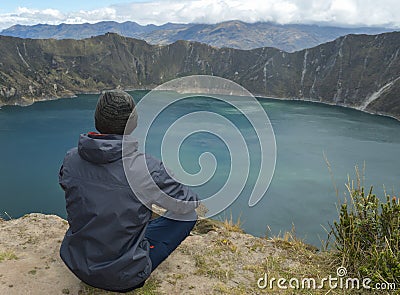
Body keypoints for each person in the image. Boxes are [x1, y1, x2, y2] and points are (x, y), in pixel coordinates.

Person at [59, 90, 199, 292]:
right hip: (125, 277)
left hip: (76, 263)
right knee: (188, 216)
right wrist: (163, 180)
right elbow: (186, 203)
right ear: (133, 122)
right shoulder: (146, 168)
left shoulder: (71, 158)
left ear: (97, 119)